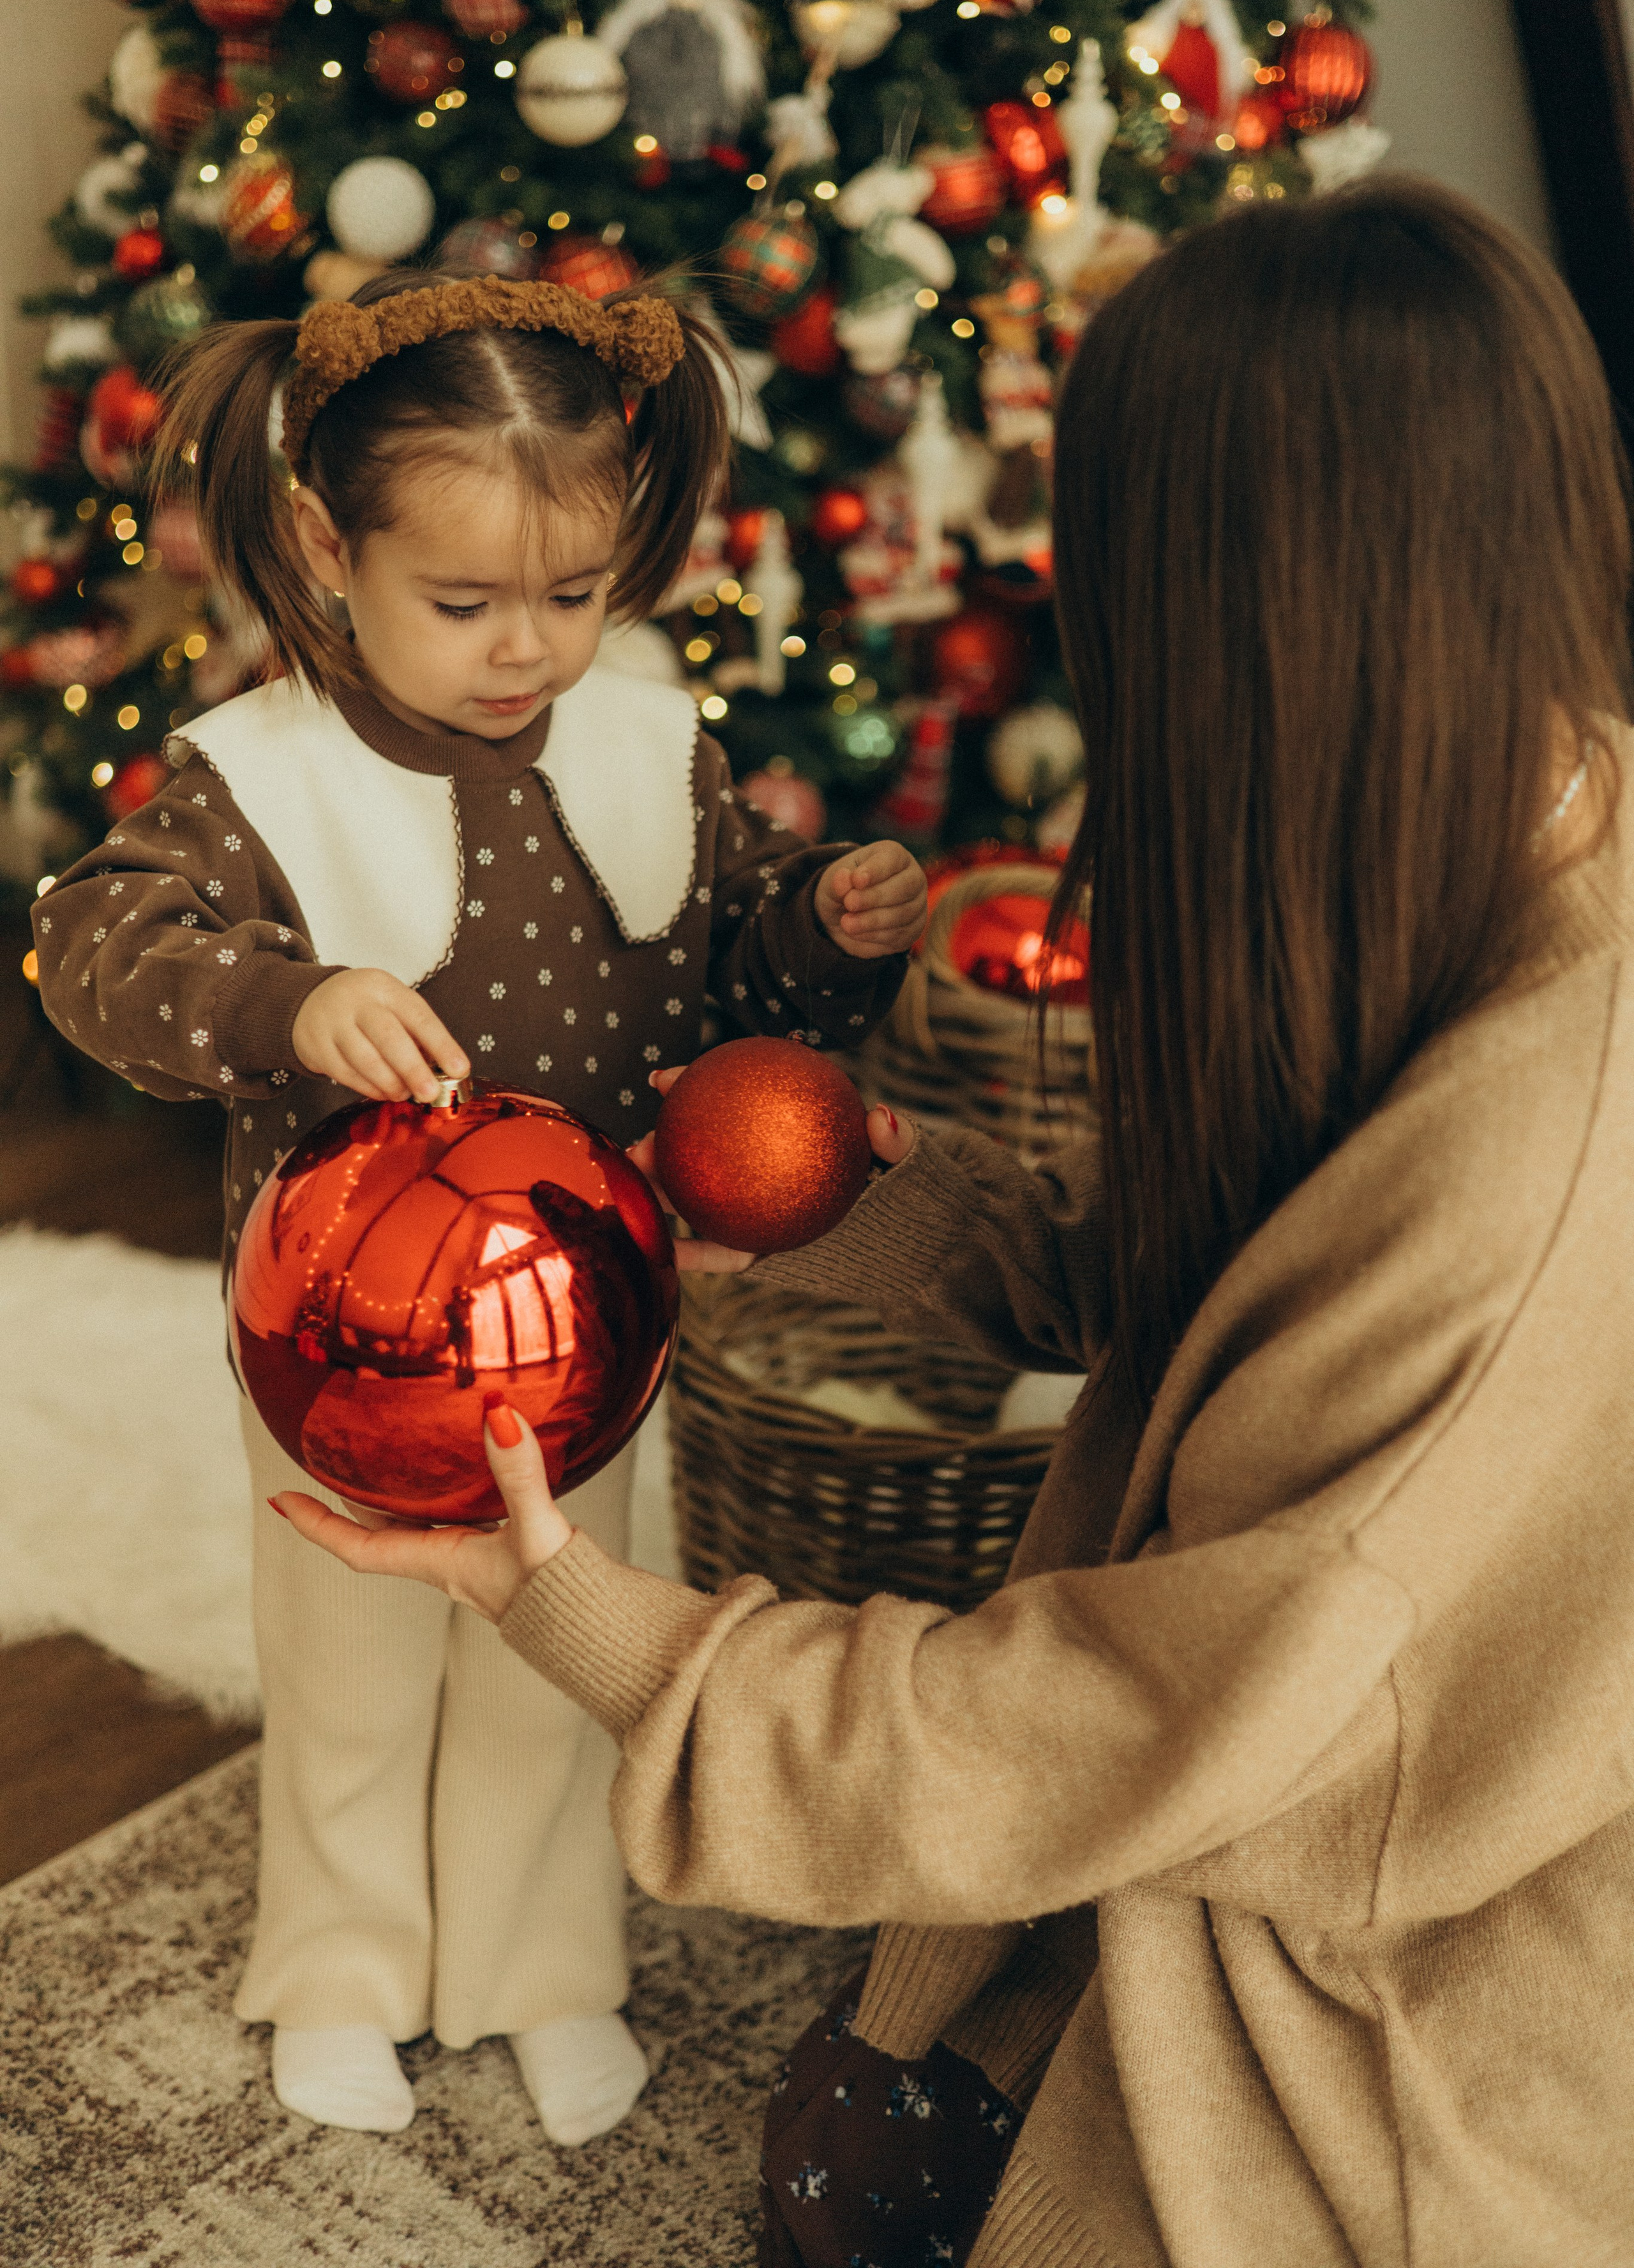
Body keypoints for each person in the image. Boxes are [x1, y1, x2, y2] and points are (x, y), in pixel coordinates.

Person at [280, 176, 1631, 2268]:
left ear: (1242, 630)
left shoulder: (1534, 1177)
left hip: (1437, 1987)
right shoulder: (1533, 817)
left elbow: (1118, 1712)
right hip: (1360, 1739)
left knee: (852, 2178)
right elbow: (1270, 1300)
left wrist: (592, 1621)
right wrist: (902, 1225)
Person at [30, 268, 927, 2144]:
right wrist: (290, 1001)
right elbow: (92, 948)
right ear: (320, 547)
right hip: (348, 1346)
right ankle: (347, 1966)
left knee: (549, 1659)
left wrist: (811, 929)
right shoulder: (256, 777)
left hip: (581, 1330)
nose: (526, 649)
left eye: (575, 596)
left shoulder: (645, 744)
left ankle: (539, 1967)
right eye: (462, 604)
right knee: (351, 1671)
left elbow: (725, 961)